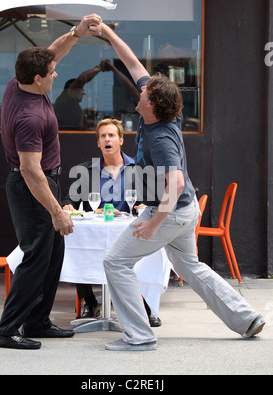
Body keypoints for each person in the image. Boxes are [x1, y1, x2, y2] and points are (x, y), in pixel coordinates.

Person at [88, 21, 266, 351]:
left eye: (143, 92)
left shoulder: (160, 137)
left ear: (152, 103)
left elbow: (177, 181)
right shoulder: (159, 114)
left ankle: (139, 336)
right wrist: (108, 34)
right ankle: (247, 317)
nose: (138, 91)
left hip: (169, 212)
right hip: (182, 211)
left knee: (116, 263)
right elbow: (133, 63)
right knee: (190, 267)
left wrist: (154, 222)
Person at [0, 14, 102, 350]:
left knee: (54, 256)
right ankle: (7, 330)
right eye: (51, 74)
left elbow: (53, 52)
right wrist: (56, 211)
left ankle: (37, 322)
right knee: (36, 257)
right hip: (31, 188)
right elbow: (30, 170)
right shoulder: (29, 116)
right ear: (38, 79)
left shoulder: (18, 84)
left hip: (42, 184)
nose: (56, 75)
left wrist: (76, 32)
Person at [63, 118, 161, 326]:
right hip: (95, 230)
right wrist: (68, 206)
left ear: (121, 140)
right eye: (103, 136)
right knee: (76, 246)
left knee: (147, 253)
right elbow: (69, 199)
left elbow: (152, 200)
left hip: (128, 231)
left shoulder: (139, 169)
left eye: (111, 135)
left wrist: (141, 207)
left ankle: (145, 305)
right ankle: (90, 303)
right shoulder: (86, 170)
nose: (107, 140)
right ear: (98, 143)